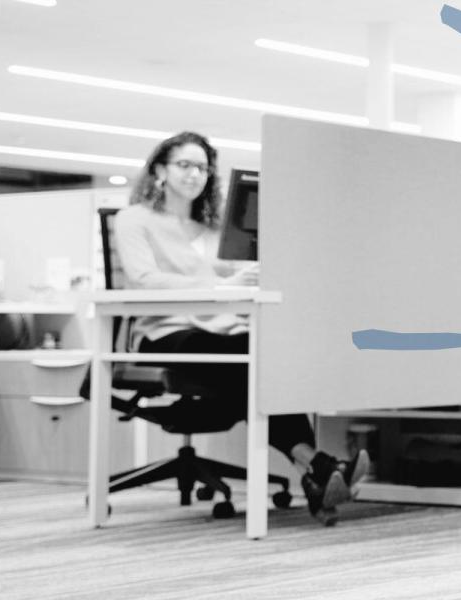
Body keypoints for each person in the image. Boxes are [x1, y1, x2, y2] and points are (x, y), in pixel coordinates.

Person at [113, 132, 368, 525]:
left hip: (223, 331)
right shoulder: (135, 219)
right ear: (160, 170)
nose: (194, 174)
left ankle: (315, 469)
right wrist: (222, 286)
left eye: (202, 167)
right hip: (164, 334)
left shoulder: (212, 228)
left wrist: (256, 272)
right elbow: (143, 279)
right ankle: (317, 465)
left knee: (266, 354)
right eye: (184, 165)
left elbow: (233, 274)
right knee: (247, 361)